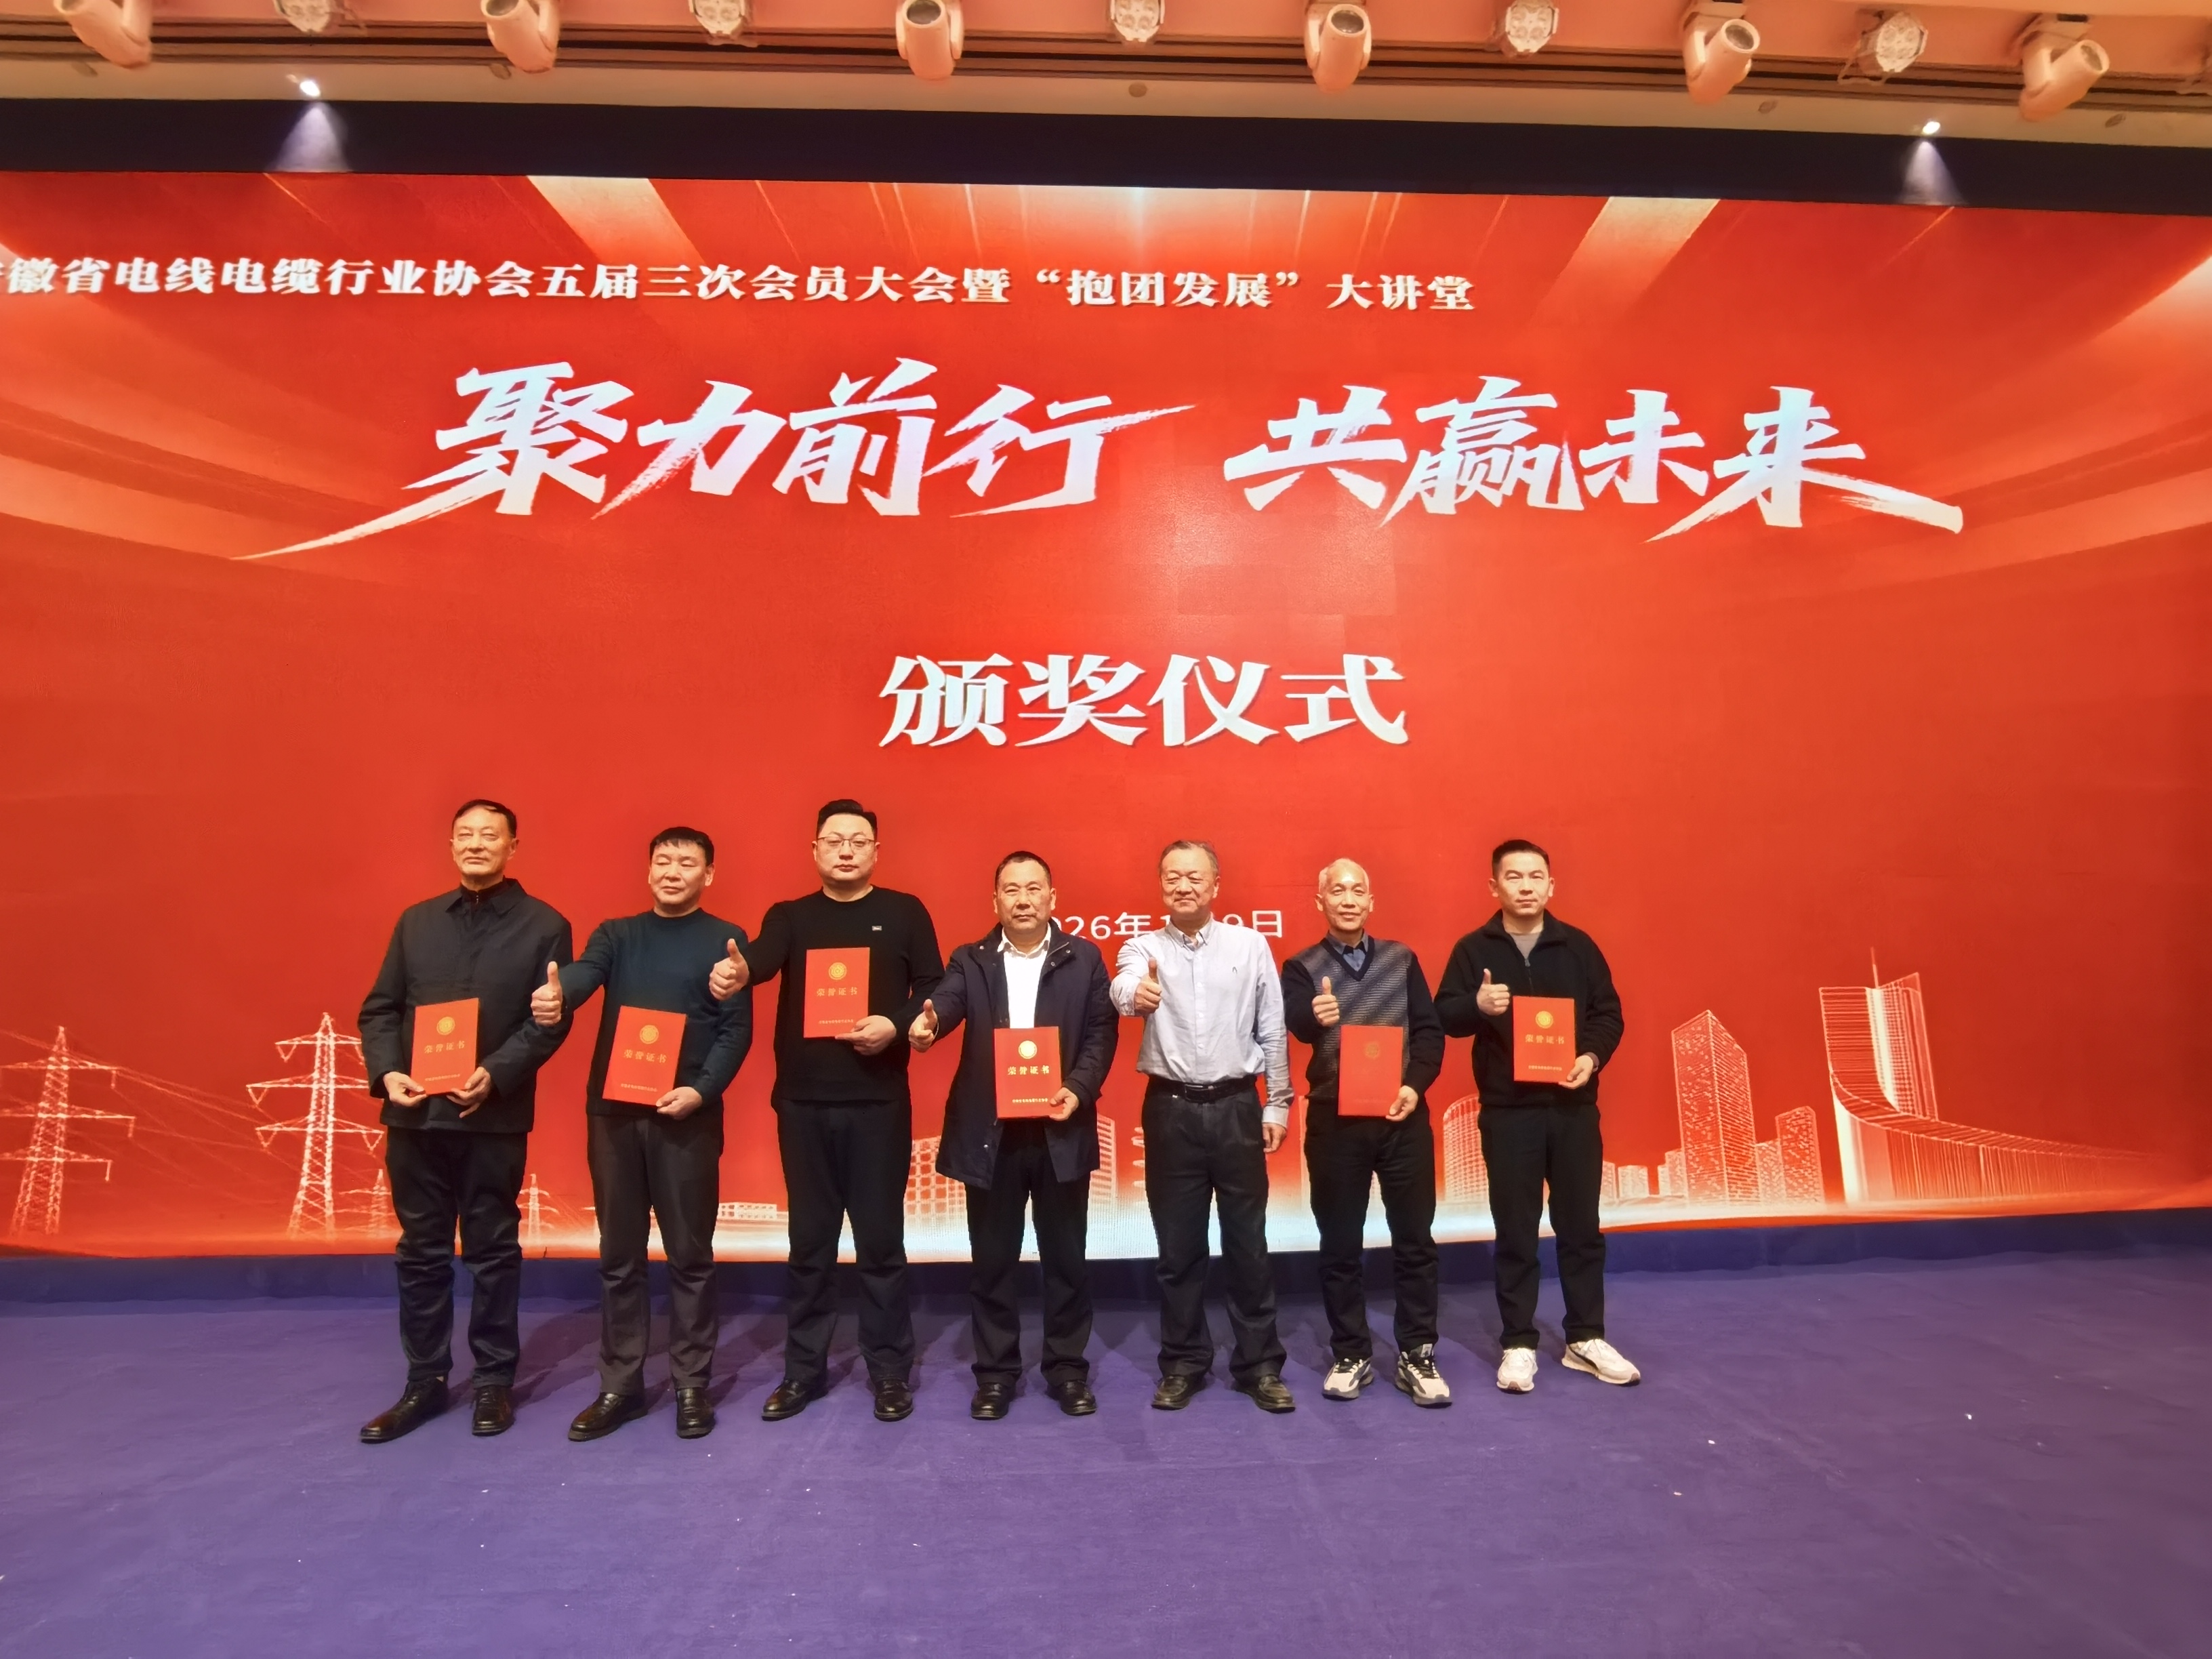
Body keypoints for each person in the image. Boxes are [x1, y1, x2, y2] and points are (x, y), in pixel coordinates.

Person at [709, 799, 941, 1422]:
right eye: (834, 840)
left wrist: (895, 1024)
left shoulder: (904, 912)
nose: (845, 850)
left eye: (858, 841)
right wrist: (739, 972)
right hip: (804, 1105)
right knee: (809, 1245)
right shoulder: (791, 917)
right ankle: (803, 1372)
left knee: (881, 1244)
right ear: (814, 850)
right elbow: (760, 958)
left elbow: (933, 987)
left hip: (878, 1104)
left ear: (876, 852)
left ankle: (888, 1372)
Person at [356, 800, 573, 1443]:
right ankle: (423, 1382)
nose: (476, 844)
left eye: (489, 835)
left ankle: (492, 1382)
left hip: (490, 1117)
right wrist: (386, 1073)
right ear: (451, 845)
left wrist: (497, 1074)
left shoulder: (545, 925)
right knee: (420, 1253)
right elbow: (381, 1010)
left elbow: (547, 1022)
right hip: (415, 1116)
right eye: (465, 835)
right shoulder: (417, 921)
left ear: (513, 846)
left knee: (493, 1253)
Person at [529, 827, 754, 1443]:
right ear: (648, 870)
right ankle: (620, 1385)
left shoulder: (725, 941)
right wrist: (560, 995)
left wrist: (701, 1091)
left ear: (709, 874)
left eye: (687, 863)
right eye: (662, 861)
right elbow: (584, 974)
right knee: (619, 1255)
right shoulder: (617, 934)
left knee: (690, 1256)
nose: (672, 872)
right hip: (615, 1116)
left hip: (686, 1117)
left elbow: (736, 1031)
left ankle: (691, 1384)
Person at [909, 851, 1118, 1420]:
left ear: (1053, 897)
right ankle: (996, 1374)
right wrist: (929, 1024)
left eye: (1033, 889)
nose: (1023, 900)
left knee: (1066, 1260)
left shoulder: (1084, 958)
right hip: (992, 1134)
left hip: (1059, 1128)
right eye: (1011, 890)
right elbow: (946, 1002)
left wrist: (1078, 1087)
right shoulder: (971, 959)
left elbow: (1101, 1032)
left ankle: (1067, 1370)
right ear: (995, 900)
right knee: (993, 1262)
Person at [1434, 838, 1637, 1393]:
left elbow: (1608, 1014)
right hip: (1509, 1113)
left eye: (1535, 876)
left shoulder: (1578, 947)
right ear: (1494, 887)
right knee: (1516, 1230)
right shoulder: (1474, 949)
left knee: (1581, 1227)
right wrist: (1477, 1007)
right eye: (1514, 877)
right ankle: (1518, 1342)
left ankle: (1585, 1338)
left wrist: (1590, 1058)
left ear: (1551, 885)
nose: (1525, 886)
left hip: (1573, 1109)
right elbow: (1444, 1014)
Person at [1111, 840, 1295, 1414]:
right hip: (1171, 1111)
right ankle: (1183, 1363)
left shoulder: (1250, 944)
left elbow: (1272, 1027)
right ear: (1160, 885)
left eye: (1194, 876)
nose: (1183, 885)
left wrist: (1278, 1104)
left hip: (1238, 1107)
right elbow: (1123, 987)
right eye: (1172, 877)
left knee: (1249, 1246)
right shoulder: (1143, 947)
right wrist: (1136, 995)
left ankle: (1259, 1366)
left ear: (1216, 885)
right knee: (1178, 1251)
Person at [1280, 858, 1449, 1406]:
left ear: (1371, 902)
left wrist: (1415, 1086)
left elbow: (1429, 1033)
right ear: (1321, 902)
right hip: (1336, 1122)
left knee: (1415, 1241)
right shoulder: (1301, 967)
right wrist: (1317, 1016)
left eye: (1358, 891)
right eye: (1337, 891)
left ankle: (1417, 1351)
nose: (1348, 899)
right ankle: (1351, 1353)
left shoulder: (1402, 959)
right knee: (1339, 1245)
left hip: (1402, 1118)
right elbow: (1294, 1023)